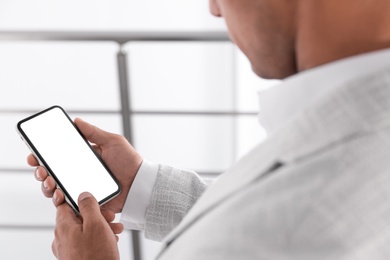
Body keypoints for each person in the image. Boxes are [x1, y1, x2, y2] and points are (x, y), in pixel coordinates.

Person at [28, 0, 390, 259]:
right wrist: (140, 185)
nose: (215, 8)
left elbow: (260, 234)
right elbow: (257, 218)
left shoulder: (296, 228)